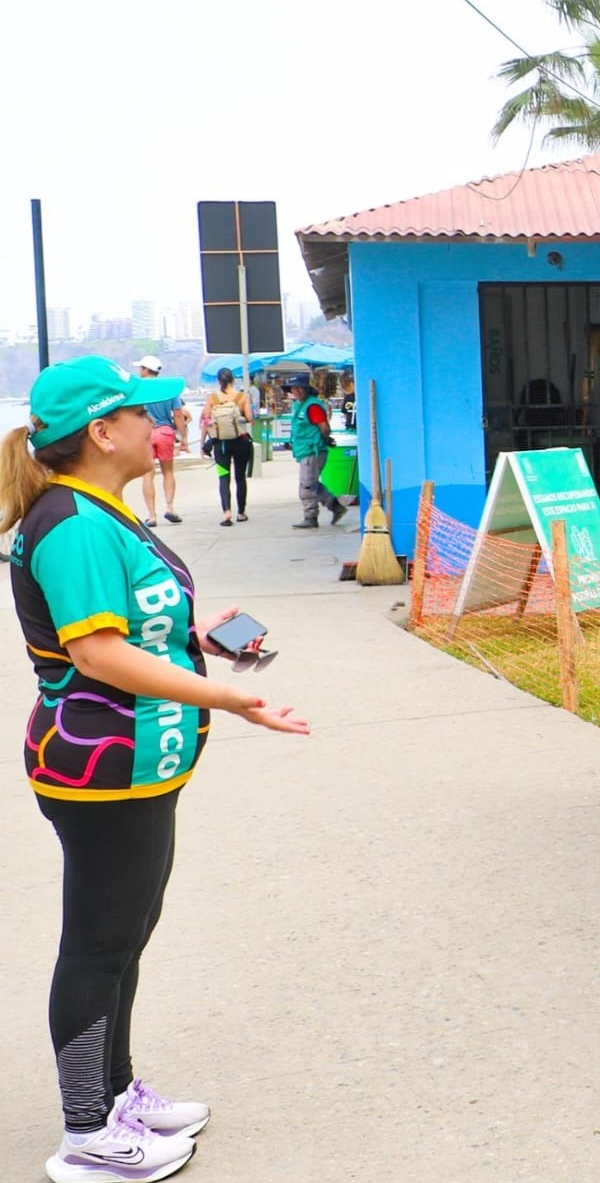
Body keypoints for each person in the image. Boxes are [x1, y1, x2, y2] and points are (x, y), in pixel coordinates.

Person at [1, 355, 309, 1183]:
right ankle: (86, 1135)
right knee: (98, 946)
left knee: (126, 937)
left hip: (143, 767)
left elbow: (136, 627)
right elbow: (97, 652)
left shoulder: (104, 510)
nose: (158, 424)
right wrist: (232, 698)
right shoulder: (68, 521)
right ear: (101, 434)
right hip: (98, 770)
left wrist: (194, 638)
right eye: (141, 414)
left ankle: (113, 1092)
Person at [284, 373, 348, 530]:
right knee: (312, 484)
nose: (296, 391)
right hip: (305, 450)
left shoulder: (312, 406)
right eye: (293, 388)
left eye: (300, 388)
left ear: (306, 389)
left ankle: (310, 517)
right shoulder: (300, 405)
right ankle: (335, 506)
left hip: (313, 450)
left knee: (306, 486)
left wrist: (325, 439)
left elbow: (324, 427)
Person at [136, 356, 188, 527]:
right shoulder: (168, 389)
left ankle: (151, 516)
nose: (139, 371)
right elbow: (178, 415)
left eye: (140, 368)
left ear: (145, 369)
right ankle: (170, 508)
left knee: (147, 475)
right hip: (165, 432)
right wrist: (184, 438)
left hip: (146, 433)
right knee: (168, 472)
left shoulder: (139, 389)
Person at [202, 367, 254, 526]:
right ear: (232, 380)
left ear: (219, 381)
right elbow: (250, 419)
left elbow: (205, 421)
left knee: (223, 478)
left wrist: (203, 443)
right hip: (241, 443)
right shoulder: (242, 397)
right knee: (240, 477)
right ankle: (241, 513)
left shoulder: (212, 398)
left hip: (221, 445)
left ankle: (227, 513)